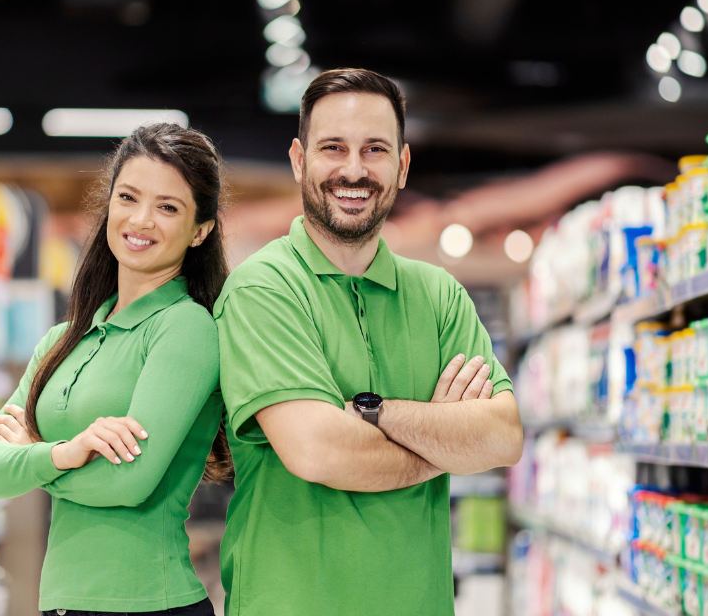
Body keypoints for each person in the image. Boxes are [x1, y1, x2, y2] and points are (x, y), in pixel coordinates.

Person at [214, 68, 524, 616]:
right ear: (298, 160)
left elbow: (501, 438)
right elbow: (318, 450)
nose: (353, 170)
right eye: (333, 147)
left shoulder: (439, 295)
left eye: (375, 149)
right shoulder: (263, 289)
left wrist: (373, 414)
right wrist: (440, 444)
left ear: (402, 165)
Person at [0, 123, 231, 616]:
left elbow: (129, 483)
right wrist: (68, 453)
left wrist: (35, 457)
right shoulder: (62, 340)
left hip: (150, 604)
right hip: (64, 604)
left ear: (201, 230)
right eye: (128, 197)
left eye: (168, 207)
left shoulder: (186, 329)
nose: (141, 220)